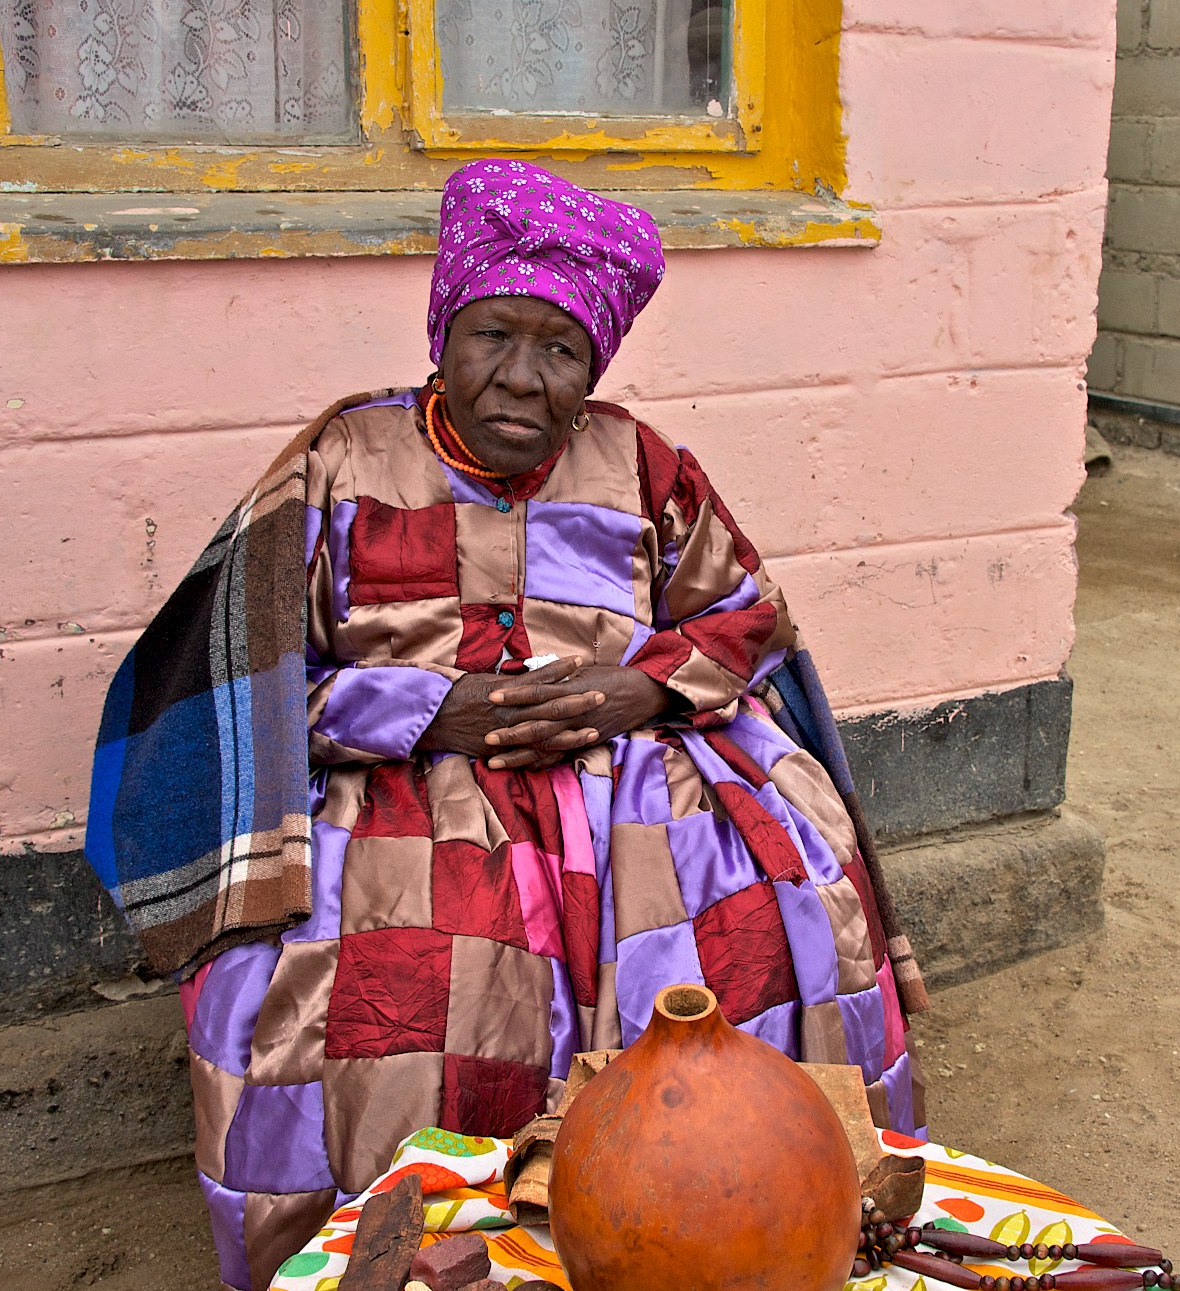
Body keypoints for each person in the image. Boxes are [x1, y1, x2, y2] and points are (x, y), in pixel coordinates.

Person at [86, 158, 926, 1291]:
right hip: (399, 775)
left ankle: (728, 1226)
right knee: (394, 971)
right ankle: (405, 1257)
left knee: (769, 915)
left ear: (595, 369)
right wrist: (433, 706)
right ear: (444, 330)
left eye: (559, 351)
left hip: (640, 765)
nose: (520, 380)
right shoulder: (342, 462)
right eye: (493, 336)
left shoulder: (643, 465)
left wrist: (643, 687)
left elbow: (743, 618)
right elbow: (250, 674)